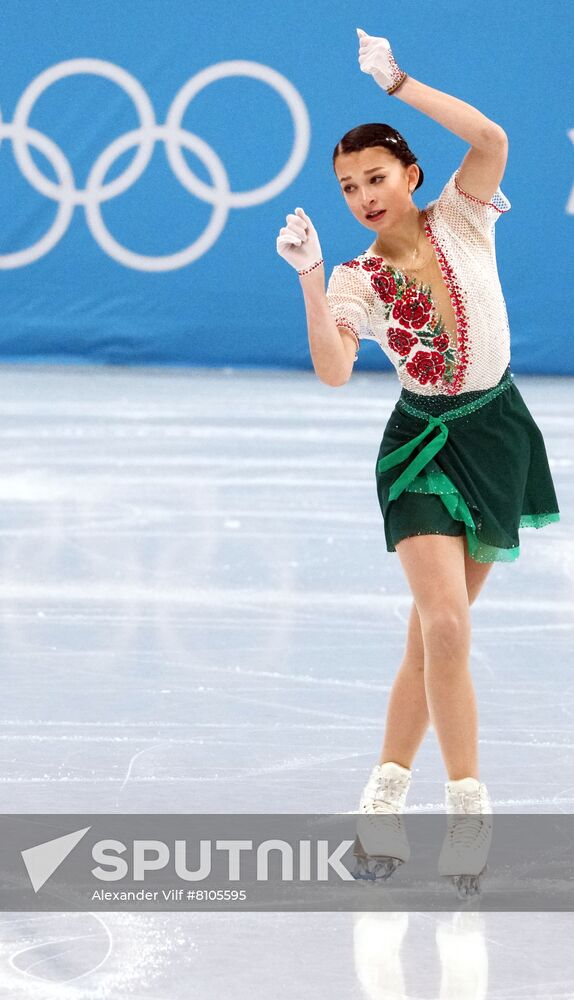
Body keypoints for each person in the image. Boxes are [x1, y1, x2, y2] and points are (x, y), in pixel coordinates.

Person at [276, 28, 561, 897]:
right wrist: (311, 276)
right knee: (444, 628)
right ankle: (468, 809)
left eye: (375, 177)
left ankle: (383, 793)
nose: (362, 195)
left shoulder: (465, 218)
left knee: (429, 638)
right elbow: (332, 370)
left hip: (498, 432)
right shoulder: (356, 276)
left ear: (410, 175)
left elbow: (493, 140)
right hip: (421, 448)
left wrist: (398, 82)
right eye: (348, 187)